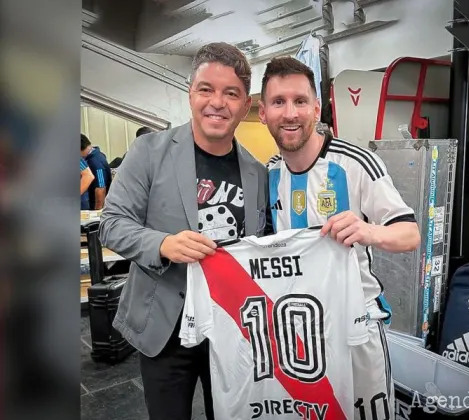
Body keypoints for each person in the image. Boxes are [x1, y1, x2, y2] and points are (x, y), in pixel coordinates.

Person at [99, 42, 272, 420]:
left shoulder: (258, 173)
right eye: (206, 89)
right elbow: (111, 224)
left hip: (230, 329)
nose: (217, 102)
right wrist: (162, 243)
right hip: (164, 327)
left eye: (232, 93)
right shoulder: (149, 151)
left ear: (246, 106)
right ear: (190, 93)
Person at [260, 57, 421, 420]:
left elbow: (409, 234)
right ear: (263, 112)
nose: (290, 113)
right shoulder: (269, 171)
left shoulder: (357, 163)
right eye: (278, 102)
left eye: (301, 101)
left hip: (357, 325)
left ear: (316, 108)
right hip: (300, 330)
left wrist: (368, 230)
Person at [80, 134, 112, 210]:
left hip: (95, 204)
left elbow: (101, 187)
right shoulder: (94, 156)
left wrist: (97, 210)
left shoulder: (96, 162)